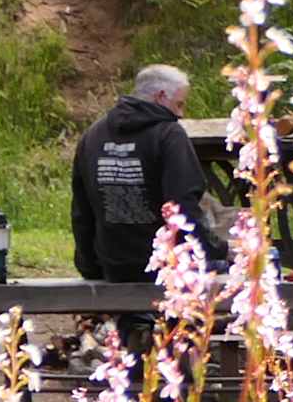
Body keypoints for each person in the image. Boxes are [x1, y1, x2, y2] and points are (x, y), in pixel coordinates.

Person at [72, 64, 225, 281]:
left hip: (112, 266)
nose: (181, 114)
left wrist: (89, 267)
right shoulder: (169, 134)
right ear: (161, 96)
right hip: (166, 267)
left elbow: (82, 211)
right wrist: (218, 250)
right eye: (179, 104)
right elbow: (183, 207)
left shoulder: (93, 134)